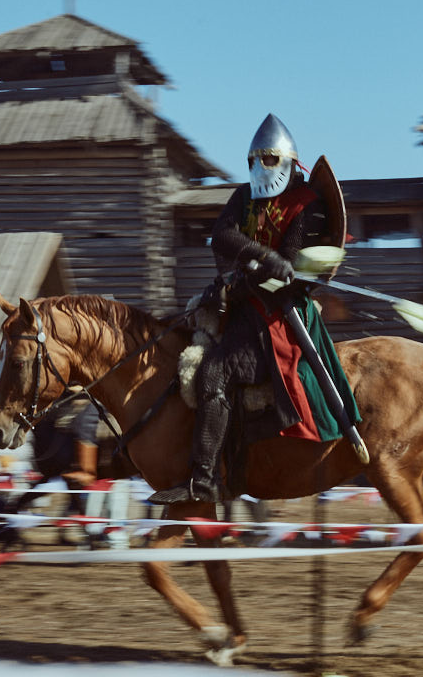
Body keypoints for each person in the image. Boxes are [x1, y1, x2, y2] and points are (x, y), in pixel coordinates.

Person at [149, 114, 360, 504]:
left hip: (279, 313)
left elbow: (293, 271)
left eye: (269, 158)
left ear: (288, 161)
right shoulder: (244, 197)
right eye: (255, 159)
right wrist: (263, 258)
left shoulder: (306, 205)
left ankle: (204, 480)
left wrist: (264, 272)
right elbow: (222, 235)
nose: (261, 166)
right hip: (241, 303)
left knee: (213, 373)